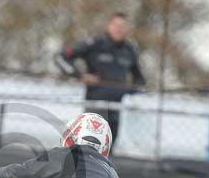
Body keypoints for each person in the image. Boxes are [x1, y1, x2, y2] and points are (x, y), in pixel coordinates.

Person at [54, 12, 146, 143]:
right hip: (94, 107)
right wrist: (79, 75)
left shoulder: (130, 50)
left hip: (116, 108)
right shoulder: (95, 44)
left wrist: (128, 89)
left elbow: (140, 81)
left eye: (123, 26)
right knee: (89, 145)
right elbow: (61, 58)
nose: (119, 29)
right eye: (116, 25)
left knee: (110, 149)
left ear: (127, 29)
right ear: (109, 26)